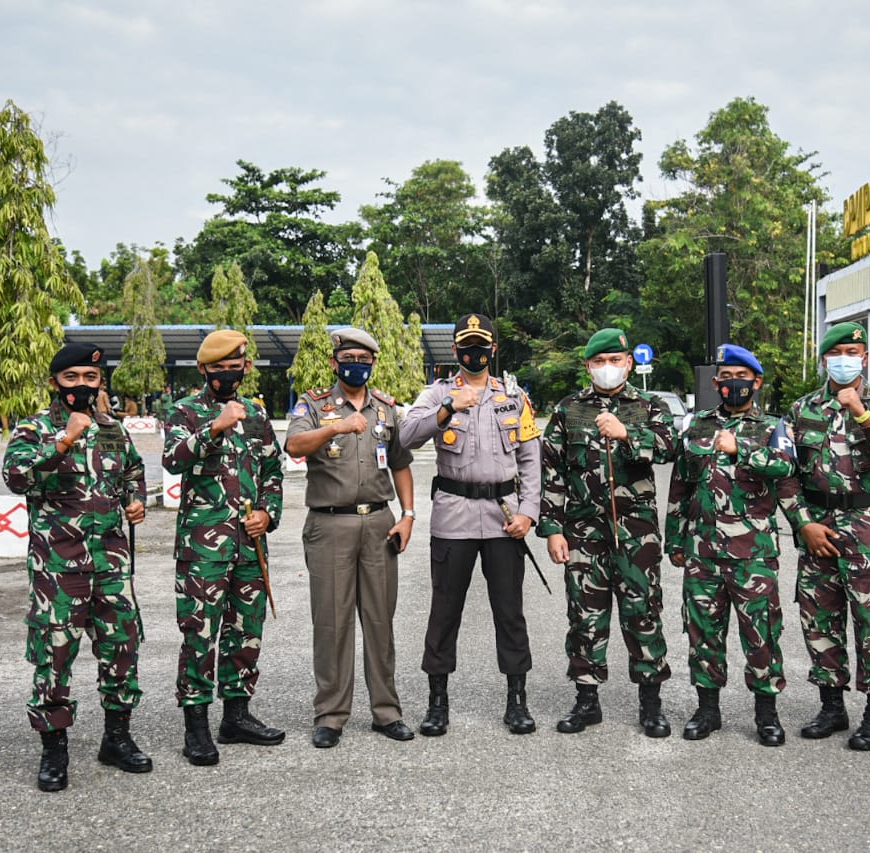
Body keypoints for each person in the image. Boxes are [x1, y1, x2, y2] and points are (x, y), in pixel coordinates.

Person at [1, 341, 150, 792]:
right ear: (55, 383)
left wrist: (136, 499)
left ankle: (117, 738)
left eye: (90, 379)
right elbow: (16, 478)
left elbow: (132, 471)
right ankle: (53, 749)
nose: (82, 387)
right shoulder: (34, 429)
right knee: (55, 657)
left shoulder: (112, 428)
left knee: (121, 648)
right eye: (72, 379)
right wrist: (65, 438)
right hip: (59, 567)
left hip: (111, 561)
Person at [399, 313, 543, 737]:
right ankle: (437, 702)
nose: (474, 353)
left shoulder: (514, 398)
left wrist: (529, 512)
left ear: (493, 350)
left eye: (482, 346)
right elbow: (405, 437)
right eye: (467, 346)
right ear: (456, 351)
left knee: (510, 611)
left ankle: (516, 700)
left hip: (503, 519)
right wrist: (446, 409)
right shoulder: (438, 393)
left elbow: (531, 459)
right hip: (453, 515)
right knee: (444, 612)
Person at [538, 327, 677, 738]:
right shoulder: (568, 410)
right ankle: (586, 701)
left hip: (637, 534)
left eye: (614, 361)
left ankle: (651, 704)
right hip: (583, 532)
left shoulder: (649, 405)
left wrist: (627, 434)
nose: (607, 369)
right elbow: (552, 472)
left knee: (643, 614)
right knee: (584, 616)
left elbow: (671, 448)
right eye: (598, 362)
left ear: (629, 363)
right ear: (587, 366)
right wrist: (551, 529)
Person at [779, 321, 870, 751]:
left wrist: (862, 413)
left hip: (868, 526)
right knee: (819, 617)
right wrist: (803, 523)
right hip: (818, 526)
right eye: (837, 354)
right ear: (824, 360)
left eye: (853, 352)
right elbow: (785, 475)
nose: (844, 360)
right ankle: (831, 705)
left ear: (865, 358)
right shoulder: (801, 411)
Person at [285, 327, 417, 749]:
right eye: (349, 358)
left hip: (379, 523)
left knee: (380, 622)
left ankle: (386, 711)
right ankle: (331, 714)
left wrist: (409, 514)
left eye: (364, 358)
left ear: (373, 363)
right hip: (330, 524)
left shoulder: (385, 408)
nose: (356, 365)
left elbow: (400, 464)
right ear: (334, 361)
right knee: (332, 624)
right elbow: (294, 445)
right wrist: (337, 427)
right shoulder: (314, 404)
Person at [162, 330, 286, 766]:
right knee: (199, 636)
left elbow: (273, 467)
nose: (231, 373)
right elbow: (173, 460)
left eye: (239, 366)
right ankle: (195, 728)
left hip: (250, 545)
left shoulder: (255, 413)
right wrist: (213, 428)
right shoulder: (184, 411)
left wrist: (268, 513)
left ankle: (236, 716)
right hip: (203, 549)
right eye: (222, 368)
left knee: (246, 631)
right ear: (204, 370)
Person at [666, 344, 798, 745]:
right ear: (715, 382)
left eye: (741, 377)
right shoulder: (697, 426)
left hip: (752, 554)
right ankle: (707, 709)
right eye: (725, 378)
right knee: (703, 633)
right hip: (703, 552)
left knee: (761, 634)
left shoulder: (774, 427)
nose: (732, 384)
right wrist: (676, 537)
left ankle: (767, 713)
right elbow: (681, 484)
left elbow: (786, 467)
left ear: (756, 382)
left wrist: (741, 448)